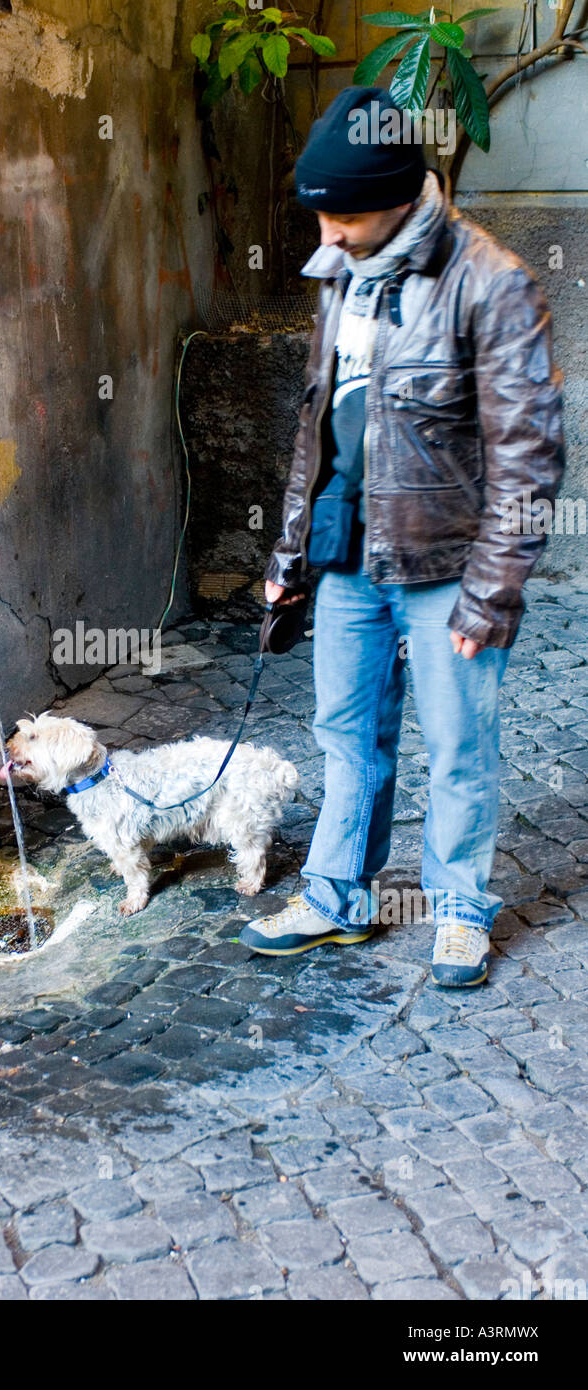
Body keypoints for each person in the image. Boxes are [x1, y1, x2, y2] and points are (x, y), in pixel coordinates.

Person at [239, 86, 565, 987]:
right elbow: (320, 426)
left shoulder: (492, 282)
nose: (327, 236)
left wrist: (493, 589)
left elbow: (529, 457)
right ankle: (339, 899)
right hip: (347, 554)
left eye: (344, 215)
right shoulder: (344, 269)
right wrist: (290, 557)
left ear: (403, 191)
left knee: (459, 744)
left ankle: (459, 908)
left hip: (447, 565)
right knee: (346, 735)